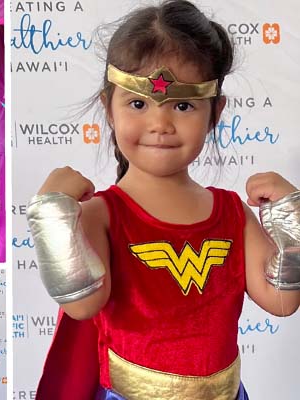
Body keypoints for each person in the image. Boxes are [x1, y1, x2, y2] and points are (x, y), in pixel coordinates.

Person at [26, 1, 300, 399]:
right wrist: (51, 211)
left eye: (184, 105)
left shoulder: (231, 212)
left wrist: (291, 218)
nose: (160, 124)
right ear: (109, 108)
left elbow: (281, 299)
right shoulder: (102, 214)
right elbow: (83, 306)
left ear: (215, 113)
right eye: (138, 103)